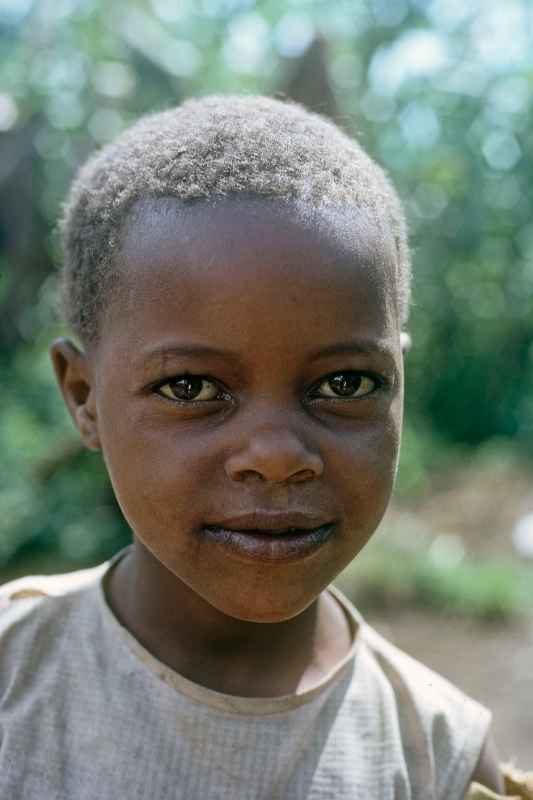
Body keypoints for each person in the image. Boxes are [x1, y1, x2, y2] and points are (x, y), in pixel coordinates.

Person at [0, 95, 504, 799]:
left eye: (346, 381)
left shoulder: (435, 759)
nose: (276, 455)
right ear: (84, 396)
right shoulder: (15, 678)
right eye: (189, 388)